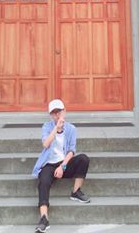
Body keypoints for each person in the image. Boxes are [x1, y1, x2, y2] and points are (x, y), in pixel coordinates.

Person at [31, 99, 90, 233]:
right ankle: (44, 218)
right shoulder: (47, 127)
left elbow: (71, 150)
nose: (57, 115)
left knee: (83, 159)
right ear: (50, 115)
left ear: (64, 112)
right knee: (43, 181)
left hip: (64, 163)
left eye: (59, 112)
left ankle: (76, 192)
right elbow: (45, 144)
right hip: (49, 164)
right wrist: (56, 129)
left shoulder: (71, 129)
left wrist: (62, 166)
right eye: (54, 113)